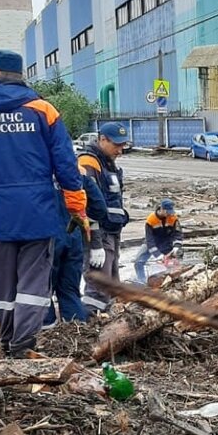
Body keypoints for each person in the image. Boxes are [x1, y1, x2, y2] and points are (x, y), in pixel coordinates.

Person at [0, 49, 88, 358]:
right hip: (39, 211)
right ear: (20, 73)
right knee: (33, 281)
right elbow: (66, 164)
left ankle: (7, 338)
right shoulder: (43, 110)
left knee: (3, 281)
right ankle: (22, 344)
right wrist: (76, 205)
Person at [78, 122, 131, 313]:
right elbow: (87, 205)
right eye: (117, 145)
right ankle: (91, 330)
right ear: (102, 139)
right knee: (98, 288)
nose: (120, 151)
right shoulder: (88, 162)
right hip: (98, 233)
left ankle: (112, 327)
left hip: (111, 232)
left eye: (123, 146)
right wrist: (95, 244)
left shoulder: (107, 162)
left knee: (112, 284)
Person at [46, 174, 108, 325]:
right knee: (70, 291)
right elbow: (99, 208)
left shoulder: (39, 170)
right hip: (73, 237)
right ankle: (77, 334)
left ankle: (46, 338)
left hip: (47, 237)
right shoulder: (77, 173)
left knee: (43, 292)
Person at [134, 198, 184, 283]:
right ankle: (141, 281)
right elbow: (149, 240)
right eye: (167, 212)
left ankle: (173, 280)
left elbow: (178, 233)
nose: (169, 214)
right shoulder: (151, 220)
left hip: (166, 243)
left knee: (173, 264)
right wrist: (158, 255)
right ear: (161, 209)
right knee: (138, 262)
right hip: (152, 243)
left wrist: (176, 247)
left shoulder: (173, 218)